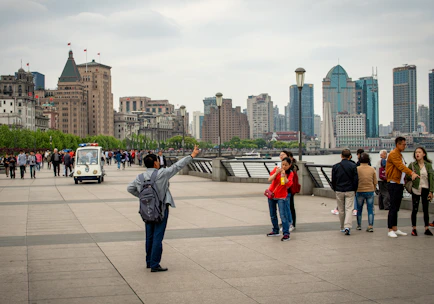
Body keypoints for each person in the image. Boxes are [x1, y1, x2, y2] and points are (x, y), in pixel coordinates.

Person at [127, 145, 200, 272]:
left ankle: (149, 262)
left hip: (147, 210)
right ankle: (155, 264)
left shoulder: (140, 178)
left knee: (149, 236)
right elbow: (177, 166)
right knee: (157, 236)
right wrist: (192, 155)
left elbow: (129, 188)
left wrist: (143, 197)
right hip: (161, 209)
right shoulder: (162, 174)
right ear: (155, 163)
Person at [386, 137, 419, 238]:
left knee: (396, 207)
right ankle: (390, 229)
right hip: (393, 183)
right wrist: (411, 173)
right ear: (398, 144)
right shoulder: (393, 154)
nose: (405, 146)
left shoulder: (399, 154)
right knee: (393, 207)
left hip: (399, 183)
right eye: (404, 144)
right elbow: (400, 166)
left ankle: (395, 228)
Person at [406, 147, 434, 236]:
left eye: (419, 152)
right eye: (416, 152)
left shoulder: (428, 165)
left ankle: (426, 228)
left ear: (424, 154)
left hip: (425, 188)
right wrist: (411, 177)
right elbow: (407, 177)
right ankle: (414, 228)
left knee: (426, 209)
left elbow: (432, 178)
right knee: (415, 209)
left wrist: (431, 191)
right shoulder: (412, 165)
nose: (417, 154)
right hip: (415, 188)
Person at [266, 157, 294, 241]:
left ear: (290, 165)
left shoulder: (290, 173)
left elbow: (287, 184)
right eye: (283, 164)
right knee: (272, 214)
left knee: (283, 215)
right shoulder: (276, 169)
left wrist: (283, 175)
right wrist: (276, 173)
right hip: (272, 194)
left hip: (282, 196)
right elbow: (269, 179)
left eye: (286, 165)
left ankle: (286, 233)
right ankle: (275, 230)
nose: (284, 166)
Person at [331, 149, 358, 235]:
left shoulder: (335, 166)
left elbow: (333, 180)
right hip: (350, 189)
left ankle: (342, 226)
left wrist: (335, 188)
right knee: (349, 208)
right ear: (350, 156)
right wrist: (354, 189)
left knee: (341, 209)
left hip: (339, 190)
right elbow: (356, 179)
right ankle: (347, 226)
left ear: (341, 156)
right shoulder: (353, 166)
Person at [356, 153, 377, 232]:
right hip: (370, 190)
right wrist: (373, 188)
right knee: (370, 209)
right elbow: (375, 181)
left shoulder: (357, 169)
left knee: (359, 209)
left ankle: (359, 225)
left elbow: (355, 180)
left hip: (360, 190)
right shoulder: (372, 169)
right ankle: (370, 225)